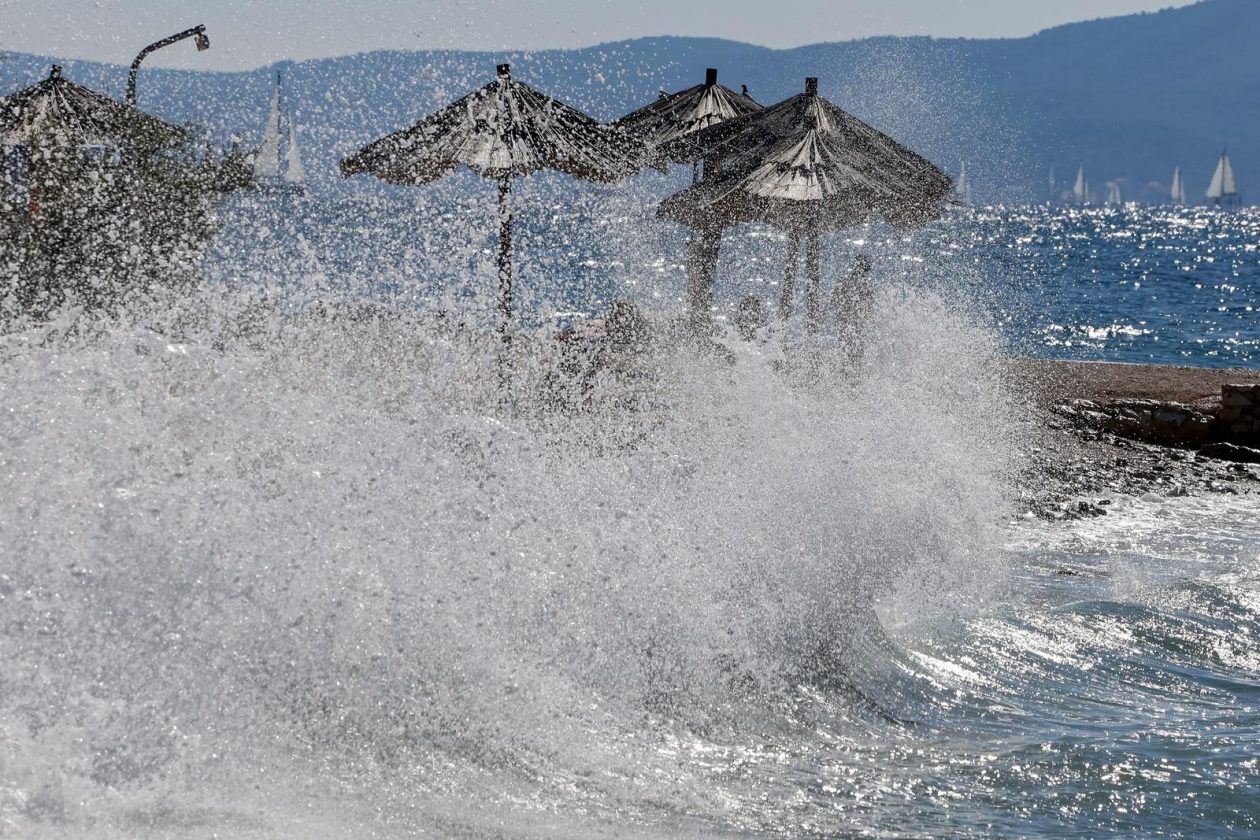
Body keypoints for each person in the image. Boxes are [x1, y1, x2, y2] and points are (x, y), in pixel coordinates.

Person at [831, 254, 874, 357]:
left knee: (845, 349)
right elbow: (869, 311)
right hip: (856, 325)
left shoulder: (842, 283)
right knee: (856, 351)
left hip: (844, 322)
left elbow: (833, 303)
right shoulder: (866, 288)